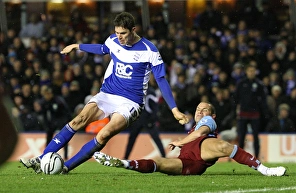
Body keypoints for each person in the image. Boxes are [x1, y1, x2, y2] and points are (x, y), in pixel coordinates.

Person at [20, 12, 189, 174]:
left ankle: (66, 167)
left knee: (104, 133)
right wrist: (77, 46)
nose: (119, 37)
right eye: (116, 32)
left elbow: (161, 80)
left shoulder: (149, 50)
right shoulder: (113, 40)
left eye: (123, 33)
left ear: (133, 30)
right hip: (107, 94)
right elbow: (102, 48)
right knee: (78, 120)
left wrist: (174, 109)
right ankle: (41, 159)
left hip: (130, 102)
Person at [94, 102, 286, 177]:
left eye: (204, 110)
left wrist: (180, 142)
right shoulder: (193, 123)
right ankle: (124, 163)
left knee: (223, 145)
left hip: (203, 150)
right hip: (190, 162)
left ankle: (264, 169)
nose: (200, 112)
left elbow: (198, 135)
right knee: (160, 163)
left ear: (212, 115)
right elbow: (191, 130)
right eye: (198, 110)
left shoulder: (208, 122)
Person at [124, 74, 165, 159]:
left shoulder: (150, 92)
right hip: (139, 119)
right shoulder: (137, 91)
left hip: (147, 119)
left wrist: (152, 119)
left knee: (156, 138)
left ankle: (164, 156)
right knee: (132, 138)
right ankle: (125, 157)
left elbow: (155, 107)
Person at [233, 64, 269, 158]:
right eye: (250, 71)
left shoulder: (259, 84)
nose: (251, 73)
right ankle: (240, 157)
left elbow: (263, 100)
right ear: (246, 72)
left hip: (255, 114)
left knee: (256, 137)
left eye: (253, 71)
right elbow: (235, 98)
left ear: (255, 72)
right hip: (243, 113)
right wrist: (236, 110)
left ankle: (257, 157)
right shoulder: (241, 83)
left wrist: (264, 113)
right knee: (242, 137)